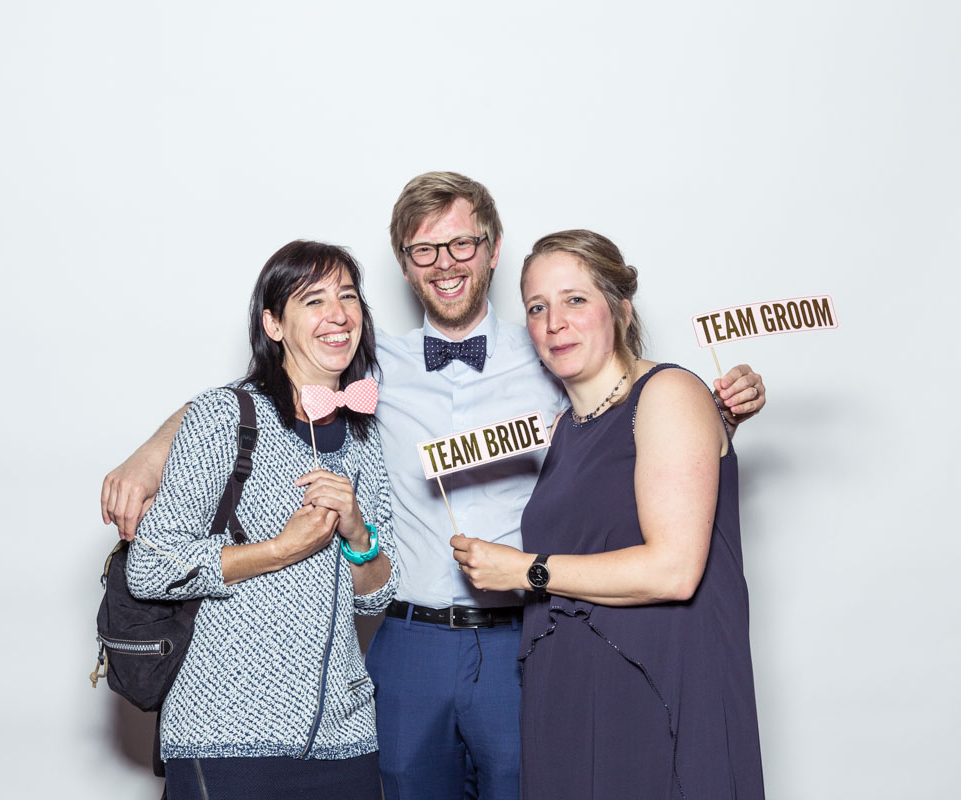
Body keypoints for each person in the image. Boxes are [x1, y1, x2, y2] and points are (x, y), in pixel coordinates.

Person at [102, 173, 767, 800]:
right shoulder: (366, 365)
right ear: (404, 265)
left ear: (493, 250)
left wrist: (714, 412)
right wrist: (149, 455)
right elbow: (263, 390)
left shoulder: (552, 350)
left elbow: (628, 410)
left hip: (523, 639)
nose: (445, 263)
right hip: (407, 641)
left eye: (462, 244)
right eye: (425, 250)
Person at [450, 230, 764, 799]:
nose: (554, 323)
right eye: (537, 308)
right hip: (571, 704)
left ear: (620, 310)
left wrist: (523, 569)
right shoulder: (566, 429)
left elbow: (674, 571)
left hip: (653, 698)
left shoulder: (668, 392)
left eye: (575, 300)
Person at [124, 240, 397, 799]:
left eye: (348, 297)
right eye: (314, 300)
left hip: (346, 739)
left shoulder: (364, 434)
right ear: (274, 324)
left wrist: (357, 533)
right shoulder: (224, 416)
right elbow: (150, 567)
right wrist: (281, 548)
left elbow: (376, 597)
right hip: (227, 737)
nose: (339, 314)